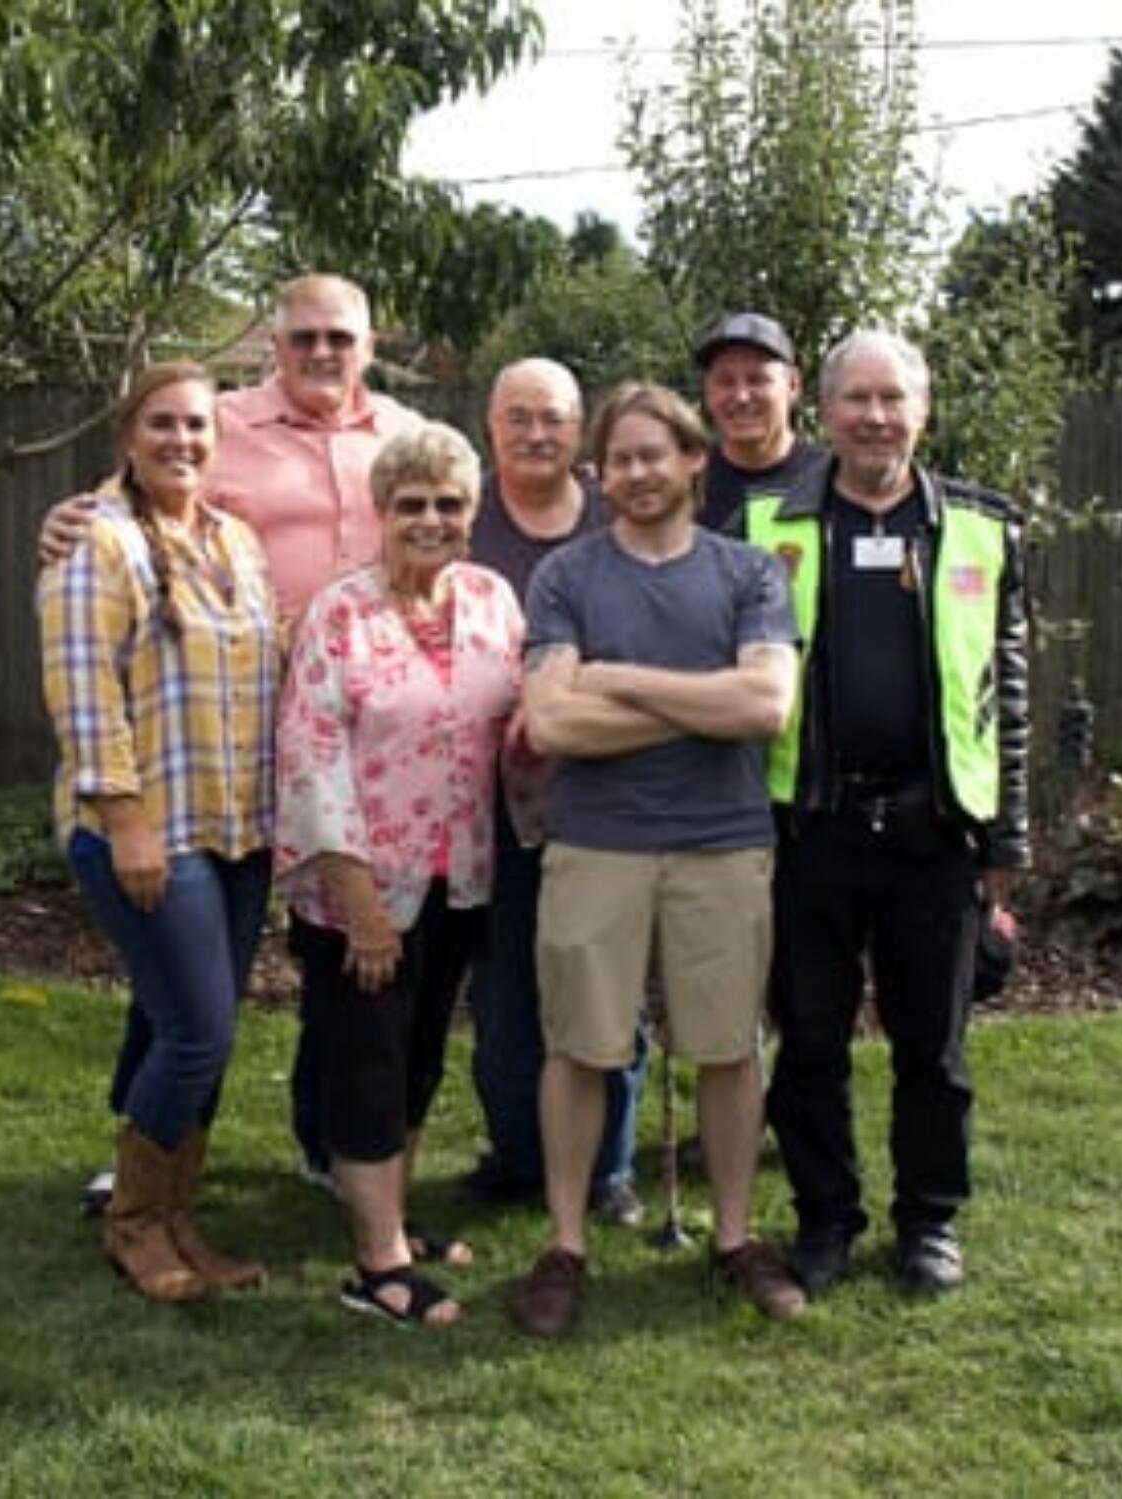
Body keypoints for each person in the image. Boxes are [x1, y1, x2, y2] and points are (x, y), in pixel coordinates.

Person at [39, 274, 420, 1194]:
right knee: (186, 972)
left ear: (369, 345)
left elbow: (447, 518)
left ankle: (323, 1140)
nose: (322, 353)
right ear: (273, 347)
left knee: (305, 951)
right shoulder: (217, 420)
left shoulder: (404, 435)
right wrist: (70, 519)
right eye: (304, 338)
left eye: (340, 337)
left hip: (344, 734)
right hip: (202, 735)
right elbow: (125, 504)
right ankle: (144, 1164)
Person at [509, 381, 805, 1338]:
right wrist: (698, 700)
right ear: (603, 476)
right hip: (597, 844)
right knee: (581, 1046)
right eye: (620, 459)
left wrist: (620, 679)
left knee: (726, 1046)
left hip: (723, 843)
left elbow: (765, 709)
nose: (638, 474)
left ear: (693, 463)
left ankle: (733, 1235)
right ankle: (565, 1243)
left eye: (655, 455)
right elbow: (552, 721)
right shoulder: (566, 577)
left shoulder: (751, 573)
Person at [754, 330, 1030, 1297]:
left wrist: (1010, 840)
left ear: (925, 408)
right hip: (810, 830)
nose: (875, 416)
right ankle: (826, 1219)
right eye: (856, 398)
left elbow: (1011, 692)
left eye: (893, 398)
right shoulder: (767, 524)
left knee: (933, 1047)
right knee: (812, 1041)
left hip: (935, 835)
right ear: (824, 411)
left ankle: (929, 1221)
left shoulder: (984, 529)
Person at [39, 362, 280, 1301]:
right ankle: (134, 1221)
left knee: (179, 1023)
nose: (182, 441)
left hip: (234, 827)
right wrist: (126, 819)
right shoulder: (94, 541)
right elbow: (82, 688)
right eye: (162, 424)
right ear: (128, 435)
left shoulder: (235, 540)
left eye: (197, 426)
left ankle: (179, 1217)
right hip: (147, 826)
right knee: (198, 1032)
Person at [275, 422, 523, 1326]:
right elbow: (311, 762)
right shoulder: (339, 614)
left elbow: (523, 724)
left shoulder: (494, 600)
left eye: (448, 503)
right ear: (380, 513)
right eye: (411, 503)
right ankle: (374, 1263)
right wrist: (360, 908)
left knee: (418, 1057)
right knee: (368, 1062)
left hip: (460, 879)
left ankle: (394, 1215)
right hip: (363, 891)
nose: (430, 518)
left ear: (473, 512)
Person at [464, 357, 647, 1225]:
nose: (537, 434)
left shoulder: (622, 515)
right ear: (491, 424)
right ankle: (516, 1152)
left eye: (555, 418)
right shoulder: (461, 512)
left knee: (605, 982)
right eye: (519, 417)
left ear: (581, 429)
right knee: (503, 989)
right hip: (483, 796)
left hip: (607, 788)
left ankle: (610, 1167)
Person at [693, 311, 823, 536]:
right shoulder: (684, 485)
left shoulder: (830, 481)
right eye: (725, 382)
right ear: (707, 390)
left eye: (757, 380)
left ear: (793, 385)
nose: (741, 397)